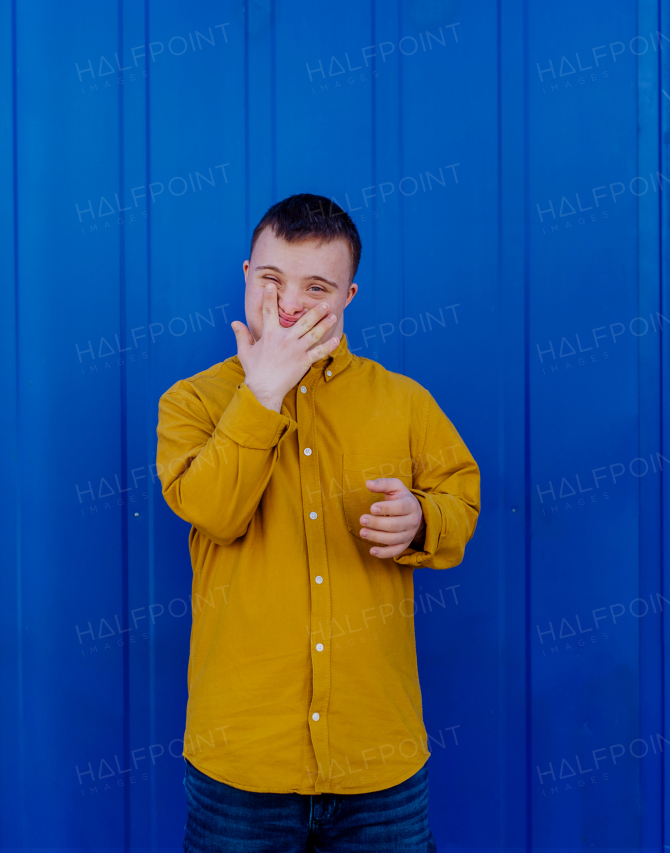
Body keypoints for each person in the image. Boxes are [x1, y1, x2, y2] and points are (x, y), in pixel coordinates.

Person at [156, 193, 480, 852]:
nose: (289, 303)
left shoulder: (405, 401)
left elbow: (461, 498)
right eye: (272, 280)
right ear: (247, 275)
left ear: (350, 295)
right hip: (242, 769)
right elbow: (214, 511)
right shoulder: (191, 402)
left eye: (317, 287)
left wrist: (422, 519)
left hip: (377, 767)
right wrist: (264, 392)